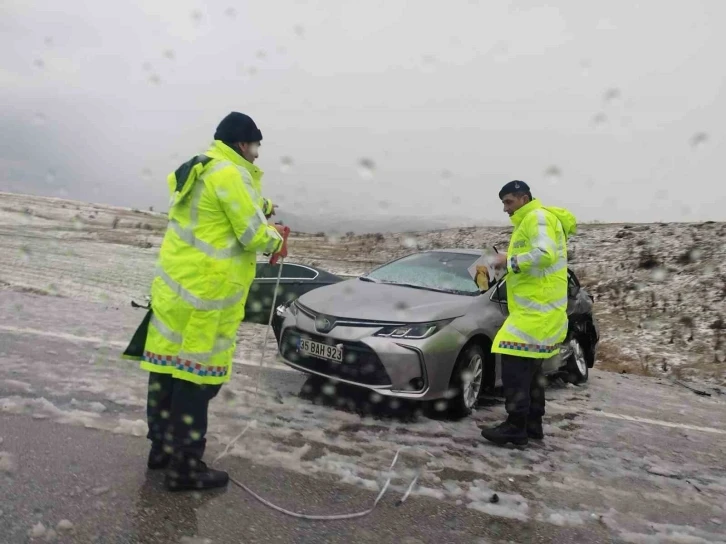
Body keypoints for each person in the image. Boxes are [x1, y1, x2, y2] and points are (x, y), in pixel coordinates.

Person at [127, 112, 288, 491]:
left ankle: (161, 450)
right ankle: (186, 465)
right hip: (207, 296)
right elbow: (251, 235)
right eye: (255, 146)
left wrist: (263, 207)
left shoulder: (197, 170)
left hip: (174, 292)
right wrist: (277, 239)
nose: (257, 155)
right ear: (241, 144)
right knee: (195, 379)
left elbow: (220, 210)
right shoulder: (231, 174)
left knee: (166, 370)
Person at [480, 180, 576, 446]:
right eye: (503, 203)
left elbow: (544, 254)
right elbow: (536, 262)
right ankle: (532, 425)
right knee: (530, 373)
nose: (505, 209)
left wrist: (506, 260)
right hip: (538, 312)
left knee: (513, 366)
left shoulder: (538, 217)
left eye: (508, 202)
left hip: (537, 313)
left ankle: (515, 426)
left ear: (523, 198)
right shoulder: (529, 222)